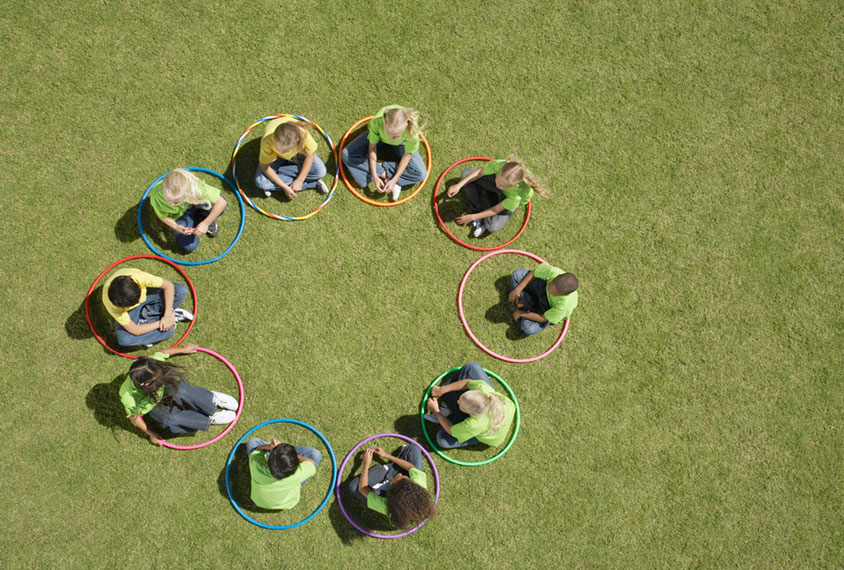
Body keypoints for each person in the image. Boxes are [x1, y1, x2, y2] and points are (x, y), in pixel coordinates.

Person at [119, 343, 238, 445]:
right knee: (171, 419)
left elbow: (163, 353)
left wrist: (183, 349)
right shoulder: (127, 396)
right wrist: (149, 433)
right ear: (147, 384)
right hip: (150, 404)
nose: (161, 375)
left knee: (182, 392)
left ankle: (211, 399)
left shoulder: (149, 366)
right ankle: (208, 419)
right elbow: (133, 416)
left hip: (163, 388)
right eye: (157, 376)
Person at [446, 155, 548, 237]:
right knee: (466, 174)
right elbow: (480, 172)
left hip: (508, 199)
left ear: (514, 185)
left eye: (502, 185)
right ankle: (487, 202)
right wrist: (458, 185)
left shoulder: (517, 195)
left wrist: (472, 217)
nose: (497, 185)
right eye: (497, 180)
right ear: (500, 170)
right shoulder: (500, 165)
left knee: (493, 226)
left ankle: (482, 217)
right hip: (504, 190)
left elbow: (495, 210)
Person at [340, 105, 426, 201]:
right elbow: (372, 147)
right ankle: (384, 174)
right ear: (384, 120)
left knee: (421, 174)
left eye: (395, 135)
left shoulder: (411, 131)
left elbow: (407, 155)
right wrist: (375, 175)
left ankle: (386, 173)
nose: (390, 138)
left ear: (406, 125)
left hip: (401, 143)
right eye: (388, 133)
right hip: (379, 137)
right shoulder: (376, 122)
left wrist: (395, 179)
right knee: (346, 154)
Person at [424, 362, 515, 449]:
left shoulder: (475, 424)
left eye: (460, 405)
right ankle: (451, 407)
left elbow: (451, 431)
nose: (458, 401)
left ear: (471, 415)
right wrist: (441, 390)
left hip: (492, 436)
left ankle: (451, 412)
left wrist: (437, 412)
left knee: (442, 439)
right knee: (472, 367)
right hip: (498, 413)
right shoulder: (483, 389)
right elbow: (467, 382)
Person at [348, 444, 434, 529]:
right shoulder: (418, 484)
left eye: (398, 477)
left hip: (388, 496)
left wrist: (366, 463)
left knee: (353, 486)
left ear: (391, 490)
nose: (400, 474)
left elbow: (362, 488)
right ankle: (389, 472)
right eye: (404, 477)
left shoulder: (387, 506)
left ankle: (384, 475)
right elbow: (411, 467)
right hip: (398, 491)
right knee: (413, 448)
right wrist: (386, 455)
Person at [102, 267, 193, 347]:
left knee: (181, 290)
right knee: (125, 339)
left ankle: (153, 322)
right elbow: (135, 330)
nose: (139, 301)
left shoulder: (138, 278)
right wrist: (161, 323)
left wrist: (168, 314)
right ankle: (166, 324)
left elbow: (168, 285)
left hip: (147, 294)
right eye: (136, 302)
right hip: (129, 311)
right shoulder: (113, 306)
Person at [148, 168, 227, 254]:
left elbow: (222, 202)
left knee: (220, 208)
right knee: (190, 246)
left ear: (186, 191)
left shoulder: (195, 187)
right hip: (180, 216)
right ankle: (198, 220)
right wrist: (176, 227)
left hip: (196, 204)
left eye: (176, 201)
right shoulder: (156, 196)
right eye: (168, 199)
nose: (172, 204)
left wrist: (206, 223)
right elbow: (162, 216)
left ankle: (205, 221)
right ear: (163, 188)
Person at [254, 117, 328, 200]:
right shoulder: (267, 141)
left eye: (287, 150)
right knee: (261, 182)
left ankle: (277, 178)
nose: (283, 152)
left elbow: (310, 155)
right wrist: (285, 187)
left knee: (320, 171)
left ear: (298, 140)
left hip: (297, 152)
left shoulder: (303, 134)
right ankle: (313, 183)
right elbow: (264, 167)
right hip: (275, 156)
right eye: (279, 149)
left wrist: (300, 180)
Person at [246, 438, 321, 510]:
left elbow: (257, 449)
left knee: (252, 443)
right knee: (315, 454)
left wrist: (270, 447)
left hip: (259, 501)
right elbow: (312, 462)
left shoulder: (256, 465)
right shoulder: (297, 474)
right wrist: (290, 458)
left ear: (267, 463)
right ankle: (285, 455)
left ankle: (279, 454)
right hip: (288, 502)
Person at [508, 264, 578, 336]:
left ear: (565, 295)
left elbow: (542, 318)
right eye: (551, 285)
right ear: (556, 277)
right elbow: (533, 273)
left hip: (547, 309)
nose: (549, 291)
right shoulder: (554, 272)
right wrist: (517, 290)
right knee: (517, 274)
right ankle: (525, 301)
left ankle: (526, 303)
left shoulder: (564, 306)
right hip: (542, 288)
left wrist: (521, 313)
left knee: (528, 328)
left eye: (554, 293)